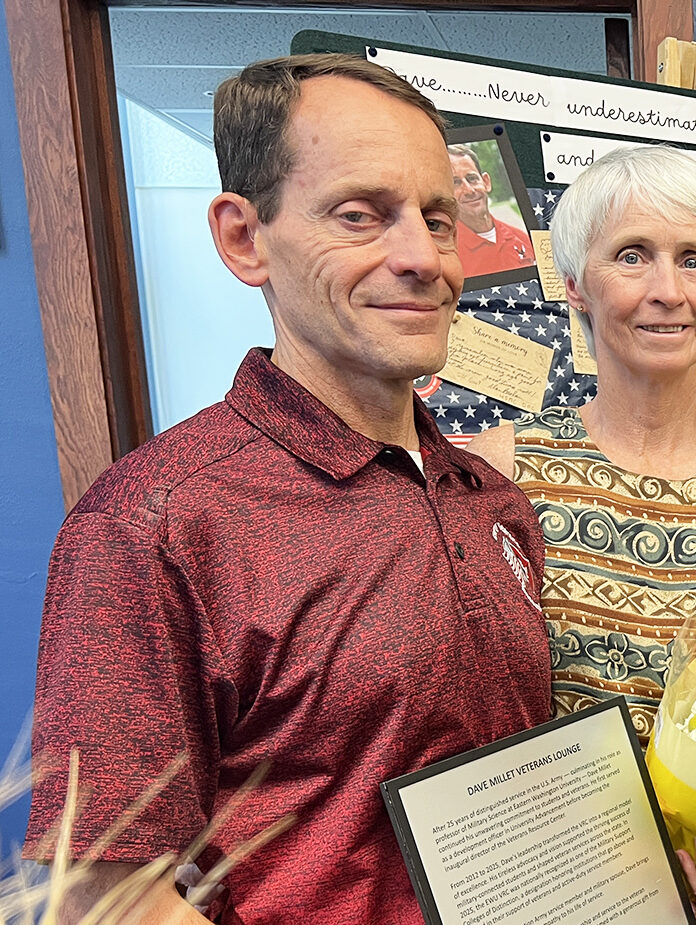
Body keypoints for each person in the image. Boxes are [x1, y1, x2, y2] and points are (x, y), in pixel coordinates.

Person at [24, 54, 553, 924]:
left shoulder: (491, 498)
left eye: (438, 218)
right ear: (245, 237)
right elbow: (104, 892)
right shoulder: (153, 525)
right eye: (361, 215)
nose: (422, 257)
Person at [466, 144, 696, 925]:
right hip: (553, 899)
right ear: (574, 287)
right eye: (633, 256)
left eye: (693, 260)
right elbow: (473, 719)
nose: (669, 290)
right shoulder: (504, 470)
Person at [449, 142, 535, 277]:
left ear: (486, 182)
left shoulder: (522, 237)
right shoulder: (449, 254)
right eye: (456, 183)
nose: (469, 190)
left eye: (472, 179)